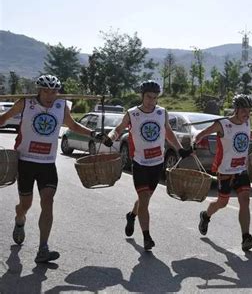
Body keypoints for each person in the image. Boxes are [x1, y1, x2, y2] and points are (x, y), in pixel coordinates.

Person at [0, 75, 108, 263]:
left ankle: (43, 248)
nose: (50, 95)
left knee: (47, 201)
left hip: (47, 163)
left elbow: (72, 125)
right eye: (46, 91)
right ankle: (20, 219)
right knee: (25, 204)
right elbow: (4, 119)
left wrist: (94, 134)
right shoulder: (25, 103)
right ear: (39, 90)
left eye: (54, 91)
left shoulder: (61, 106)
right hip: (25, 162)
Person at [103, 80, 192, 251]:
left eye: (155, 98)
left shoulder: (161, 112)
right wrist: (110, 137)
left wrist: (180, 150)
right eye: (149, 97)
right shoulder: (132, 114)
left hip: (157, 164)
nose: (152, 101)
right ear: (142, 96)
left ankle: (131, 215)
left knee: (144, 200)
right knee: (144, 199)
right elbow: (119, 129)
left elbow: (168, 133)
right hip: (140, 164)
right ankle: (146, 237)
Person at [195, 94, 252, 251]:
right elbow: (201, 135)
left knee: (245, 200)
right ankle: (206, 216)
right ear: (236, 110)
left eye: (249, 111)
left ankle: (246, 238)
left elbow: (248, 132)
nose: (247, 114)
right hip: (225, 171)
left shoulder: (246, 122)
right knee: (222, 202)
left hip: (241, 170)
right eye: (244, 111)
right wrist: (195, 142)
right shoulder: (222, 124)